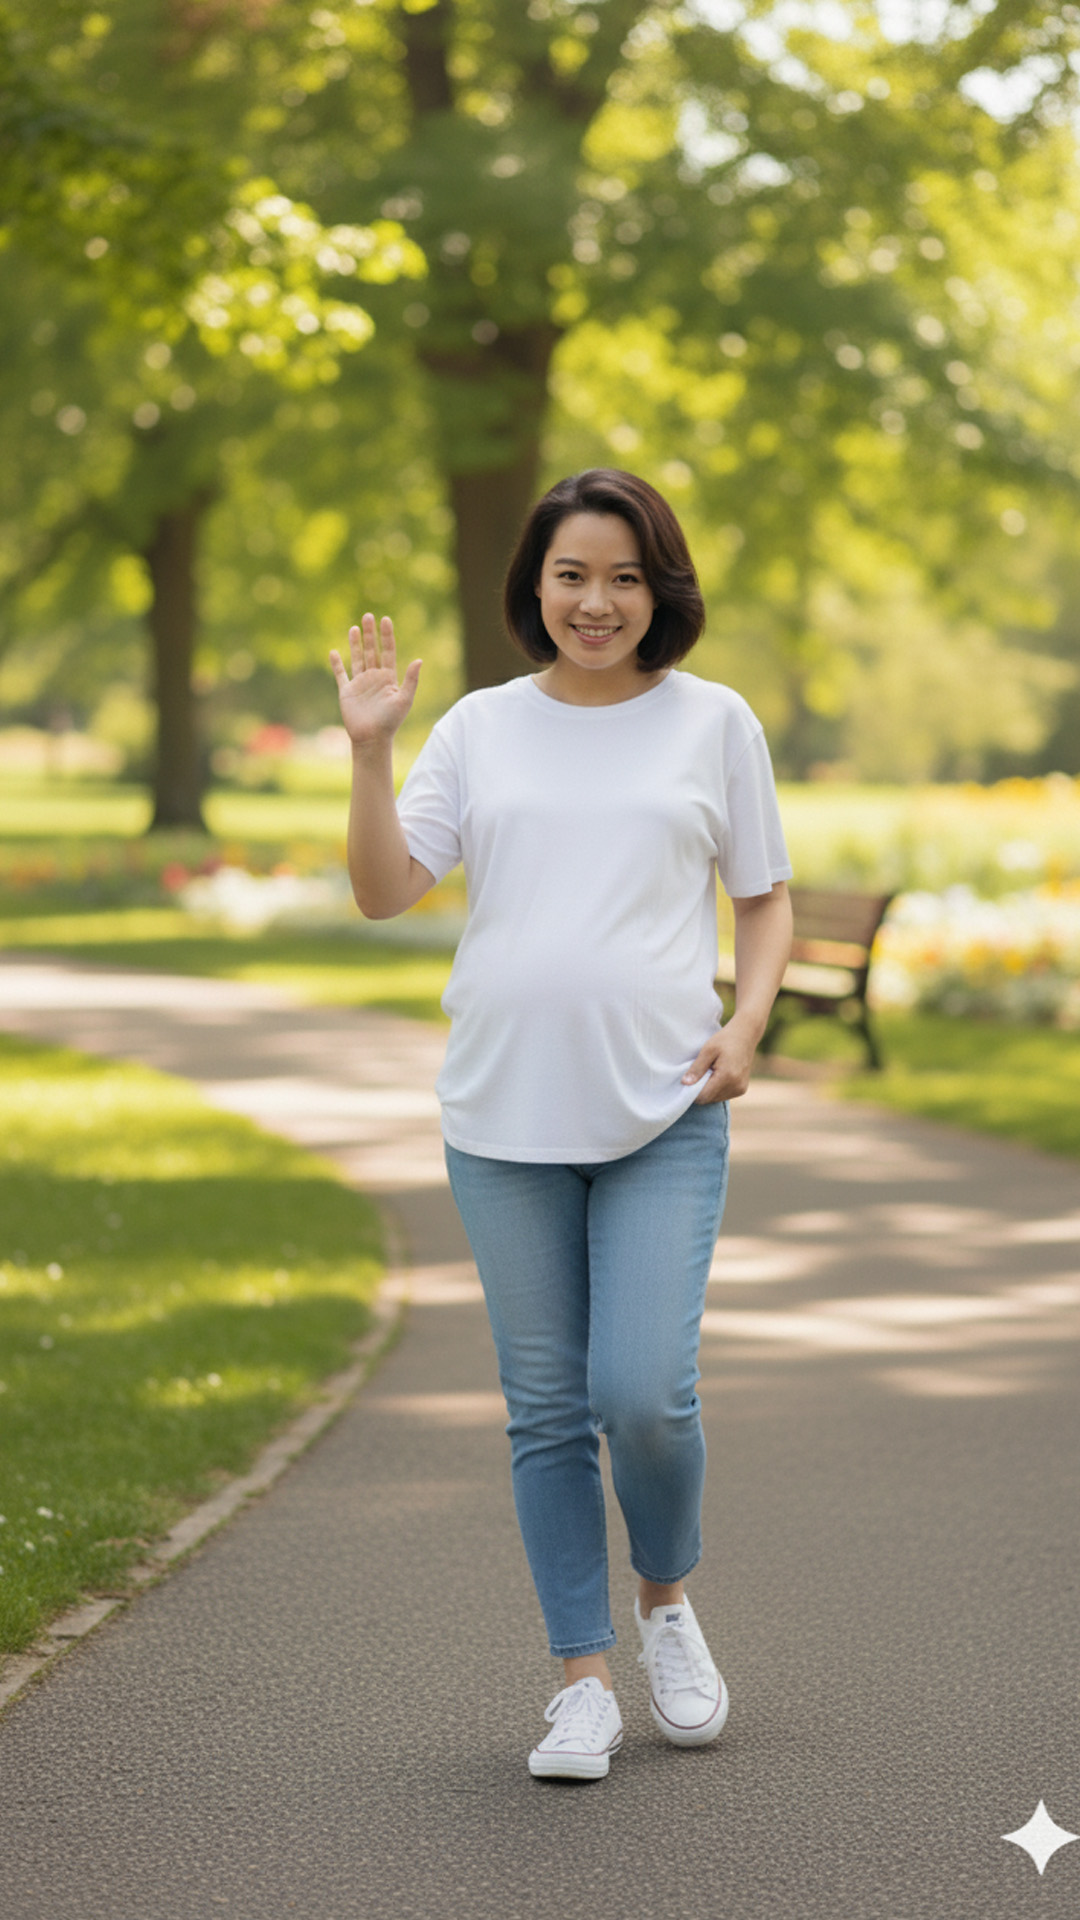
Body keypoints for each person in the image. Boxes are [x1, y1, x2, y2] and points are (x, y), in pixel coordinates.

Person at [330, 468, 793, 1782]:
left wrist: (747, 1023)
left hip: (665, 1109)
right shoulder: (479, 729)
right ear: (534, 586)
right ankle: (580, 1682)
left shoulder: (714, 723)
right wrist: (368, 750)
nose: (598, 601)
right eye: (573, 575)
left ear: (663, 590)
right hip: (502, 1119)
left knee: (642, 1394)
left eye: (626, 577)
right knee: (545, 1410)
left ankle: (664, 1601)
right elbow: (382, 889)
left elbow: (761, 898)